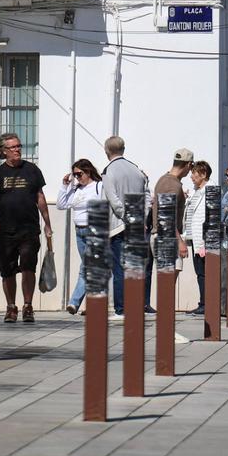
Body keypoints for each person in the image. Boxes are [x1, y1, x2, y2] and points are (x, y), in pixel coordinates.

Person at [0, 133, 52, 324]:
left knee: (28, 266)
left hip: (29, 228)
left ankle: (28, 306)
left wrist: (47, 223)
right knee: (7, 270)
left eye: (19, 146)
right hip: (6, 230)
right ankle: (11, 307)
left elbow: (40, 196)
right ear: (3, 151)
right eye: (13, 147)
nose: (17, 150)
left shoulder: (32, 170)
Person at [102, 135, 150, 320]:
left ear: (107, 152)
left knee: (119, 268)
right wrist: (141, 216)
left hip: (119, 226)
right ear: (123, 149)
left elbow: (113, 200)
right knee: (135, 267)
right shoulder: (136, 169)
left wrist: (126, 216)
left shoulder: (108, 171)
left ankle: (121, 309)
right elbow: (147, 194)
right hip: (137, 223)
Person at [147, 148, 192, 309]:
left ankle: (165, 327)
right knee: (167, 285)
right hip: (167, 238)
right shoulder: (172, 184)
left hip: (161, 235)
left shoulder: (163, 180)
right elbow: (167, 217)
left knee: (166, 284)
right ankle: (165, 328)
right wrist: (180, 241)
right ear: (187, 165)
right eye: (191, 167)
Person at [58, 159, 102, 315]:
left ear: (88, 171)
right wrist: (65, 185)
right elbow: (61, 205)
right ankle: (93, 304)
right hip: (80, 231)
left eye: (80, 174)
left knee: (86, 269)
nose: (77, 178)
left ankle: (74, 302)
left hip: (93, 230)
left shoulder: (98, 186)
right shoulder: (77, 189)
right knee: (91, 268)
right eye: (75, 175)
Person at [183, 160, 211, 315]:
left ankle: (206, 303)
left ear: (204, 174)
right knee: (199, 272)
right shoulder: (195, 191)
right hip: (195, 238)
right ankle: (203, 302)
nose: (192, 176)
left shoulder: (209, 191)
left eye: (195, 173)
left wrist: (205, 241)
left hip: (203, 239)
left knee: (203, 272)